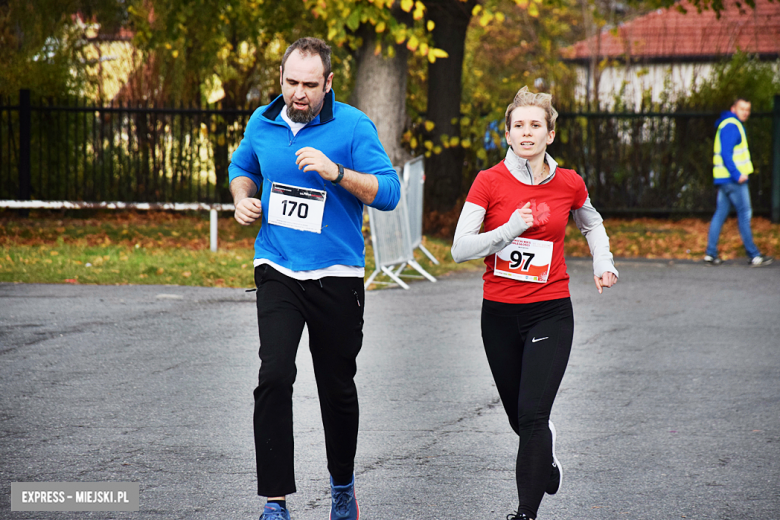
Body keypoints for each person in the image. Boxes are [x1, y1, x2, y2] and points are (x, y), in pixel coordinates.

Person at [228, 37, 400, 520]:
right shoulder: (262, 122)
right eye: (290, 82)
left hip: (336, 276)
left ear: (328, 83)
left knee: (336, 386)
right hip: (277, 267)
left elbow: (389, 192)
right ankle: (275, 501)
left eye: (308, 85)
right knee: (274, 375)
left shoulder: (352, 126)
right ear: (280, 78)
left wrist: (337, 171)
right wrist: (242, 197)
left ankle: (342, 487)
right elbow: (242, 167)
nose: (298, 94)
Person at [451, 86, 618, 520]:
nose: (527, 133)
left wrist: (603, 261)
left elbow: (592, 223)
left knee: (532, 414)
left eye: (535, 126)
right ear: (507, 134)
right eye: (518, 126)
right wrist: (508, 229)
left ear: (550, 134)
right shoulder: (488, 182)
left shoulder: (569, 183)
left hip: (550, 309)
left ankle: (525, 513)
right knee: (520, 419)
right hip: (500, 315)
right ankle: (544, 461)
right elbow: (459, 248)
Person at [704, 97, 773, 266]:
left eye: (748, 110)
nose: (746, 113)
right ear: (733, 109)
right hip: (733, 180)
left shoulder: (727, 124)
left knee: (720, 213)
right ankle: (754, 255)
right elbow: (726, 154)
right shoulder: (732, 126)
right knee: (744, 213)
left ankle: (711, 253)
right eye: (742, 109)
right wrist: (737, 174)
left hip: (724, 179)